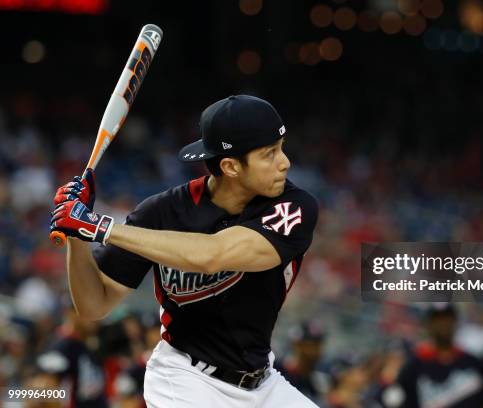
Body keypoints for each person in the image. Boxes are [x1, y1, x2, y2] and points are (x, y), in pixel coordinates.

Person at [50, 95, 320, 407]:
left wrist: (100, 227)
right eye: (269, 154)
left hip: (263, 381)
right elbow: (94, 304)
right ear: (231, 166)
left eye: (281, 148)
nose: (284, 162)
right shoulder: (162, 211)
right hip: (186, 379)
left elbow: (213, 254)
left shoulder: (294, 206)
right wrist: (77, 235)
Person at [381, 304, 483, 408]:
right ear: (428, 326)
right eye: (437, 322)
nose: (443, 327)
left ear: (455, 324)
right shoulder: (413, 367)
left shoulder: (474, 364)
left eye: (447, 321)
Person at [35, 303, 107, 407]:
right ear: (72, 314)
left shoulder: (84, 346)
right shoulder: (62, 346)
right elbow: (43, 389)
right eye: (91, 313)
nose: (97, 319)